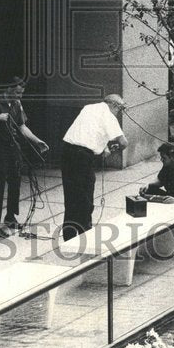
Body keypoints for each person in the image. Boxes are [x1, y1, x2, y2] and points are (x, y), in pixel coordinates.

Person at [0, 77, 49, 238]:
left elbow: (22, 126)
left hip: (13, 147)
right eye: (16, 92)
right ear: (8, 89)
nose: (19, 96)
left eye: (21, 93)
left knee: (15, 181)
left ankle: (10, 217)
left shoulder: (16, 104)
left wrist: (37, 141)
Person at [61, 94, 128, 240]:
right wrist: (112, 149)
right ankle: (85, 233)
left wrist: (102, 146)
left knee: (71, 195)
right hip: (82, 157)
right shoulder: (109, 115)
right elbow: (123, 142)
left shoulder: (88, 108)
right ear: (114, 105)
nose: (120, 112)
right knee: (85, 195)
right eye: (120, 108)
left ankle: (69, 235)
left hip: (67, 151)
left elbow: (91, 131)